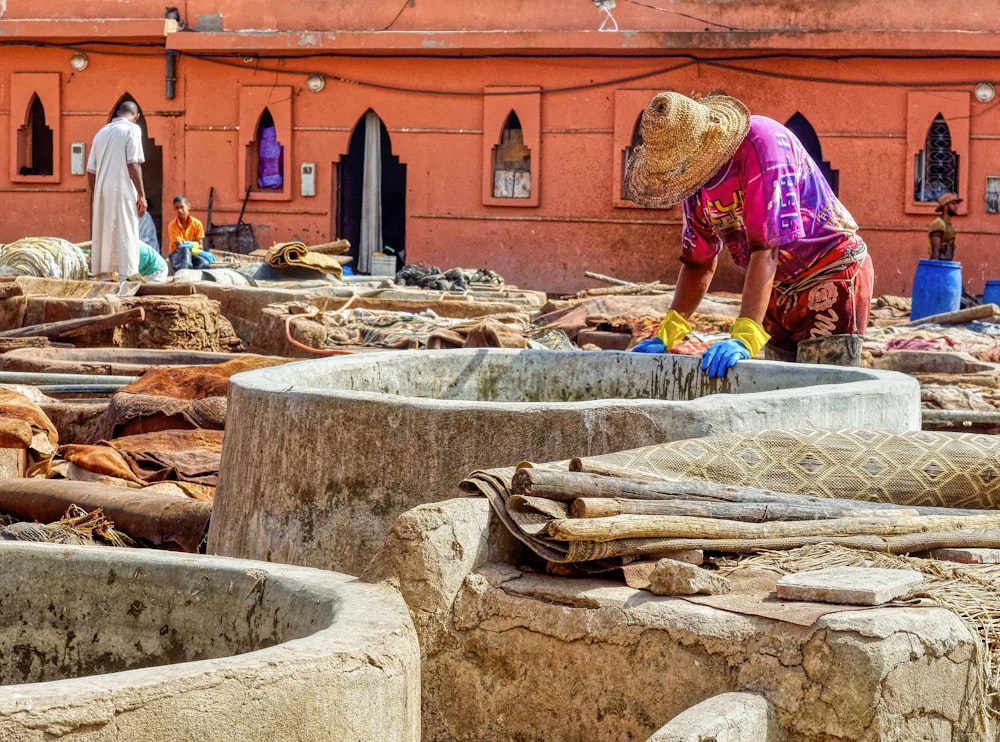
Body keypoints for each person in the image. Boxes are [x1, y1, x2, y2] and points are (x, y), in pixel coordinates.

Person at [624, 91, 874, 377]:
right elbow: (699, 261)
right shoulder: (693, 182)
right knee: (781, 394)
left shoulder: (761, 144)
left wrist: (745, 334)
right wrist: (667, 333)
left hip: (829, 273)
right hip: (774, 289)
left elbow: (767, 249)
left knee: (823, 393)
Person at [87, 100, 146, 281]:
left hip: (102, 189)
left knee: (104, 231)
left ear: (118, 113)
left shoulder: (100, 133)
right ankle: (126, 277)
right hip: (123, 189)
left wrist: (95, 193)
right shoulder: (132, 130)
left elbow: (90, 171)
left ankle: (103, 278)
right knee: (126, 230)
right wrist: (142, 195)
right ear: (136, 117)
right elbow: (133, 163)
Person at [928, 192, 961, 261]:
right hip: (939, 266)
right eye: (953, 204)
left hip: (946, 265)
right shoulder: (938, 224)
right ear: (945, 206)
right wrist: (937, 268)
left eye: (956, 204)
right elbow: (935, 252)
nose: (956, 207)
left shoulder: (948, 225)